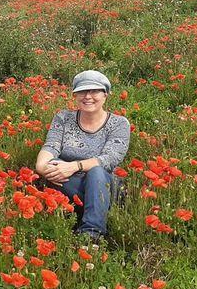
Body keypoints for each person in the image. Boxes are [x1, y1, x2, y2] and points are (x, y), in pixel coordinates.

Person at [35, 70, 130, 239]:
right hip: (69, 182)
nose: (87, 96)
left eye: (94, 91)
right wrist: (42, 167)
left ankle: (91, 233)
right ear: (75, 95)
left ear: (105, 95)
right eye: (82, 91)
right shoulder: (63, 118)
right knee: (52, 163)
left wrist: (74, 166)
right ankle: (93, 210)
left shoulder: (119, 123)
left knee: (97, 171)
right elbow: (51, 146)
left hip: (104, 185)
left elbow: (109, 160)